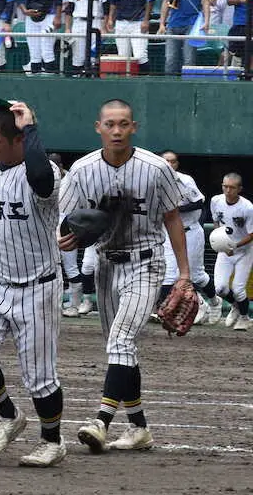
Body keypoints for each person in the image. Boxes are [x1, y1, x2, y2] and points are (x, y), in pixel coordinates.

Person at [63, 99, 190, 454]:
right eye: (110, 124)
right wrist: (66, 234)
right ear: (98, 128)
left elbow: (172, 218)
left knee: (120, 342)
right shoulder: (82, 169)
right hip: (105, 263)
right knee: (121, 349)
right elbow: (65, 218)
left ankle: (100, 422)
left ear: (133, 127)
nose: (116, 130)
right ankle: (138, 428)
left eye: (123, 124)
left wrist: (184, 274)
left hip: (145, 262)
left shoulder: (156, 168)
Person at [0, 101, 66, 467]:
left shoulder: (43, 171)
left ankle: (52, 441)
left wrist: (31, 125)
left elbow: (41, 180)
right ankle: (8, 415)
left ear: (19, 139)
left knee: (40, 377)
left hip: (38, 286)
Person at [157, 150, 218, 323]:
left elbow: (199, 202)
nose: (169, 164)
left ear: (176, 164)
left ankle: (214, 302)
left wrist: (173, 211)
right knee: (168, 274)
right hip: (168, 233)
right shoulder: (155, 181)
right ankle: (164, 309)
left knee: (196, 275)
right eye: (166, 161)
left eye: (173, 161)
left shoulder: (185, 180)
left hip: (189, 231)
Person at [209, 173, 253, 329]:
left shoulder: (247, 207)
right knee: (220, 288)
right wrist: (220, 239)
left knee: (238, 288)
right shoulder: (216, 201)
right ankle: (236, 306)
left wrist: (234, 246)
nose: (228, 190)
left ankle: (244, 317)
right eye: (225, 186)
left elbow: (252, 234)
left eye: (232, 187)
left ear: (239, 189)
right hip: (224, 250)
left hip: (244, 251)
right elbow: (216, 221)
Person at [63, 0, 110, 75]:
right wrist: (68, 28)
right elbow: (69, 9)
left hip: (96, 22)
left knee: (94, 60)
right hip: (78, 23)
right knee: (78, 59)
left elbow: (106, 8)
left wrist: (104, 27)